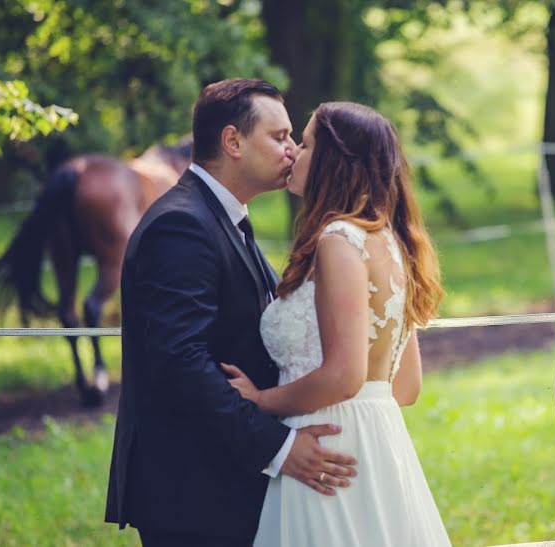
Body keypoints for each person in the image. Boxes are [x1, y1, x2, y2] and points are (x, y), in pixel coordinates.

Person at [105, 79, 358, 546]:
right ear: (233, 141)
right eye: (279, 137)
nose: (291, 151)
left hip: (223, 479)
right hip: (191, 490)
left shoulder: (224, 216)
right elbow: (180, 362)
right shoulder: (182, 225)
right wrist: (278, 447)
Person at [222, 101, 451, 546]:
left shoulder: (338, 241)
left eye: (304, 144)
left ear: (334, 160)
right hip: (380, 443)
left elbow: (345, 375)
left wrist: (262, 400)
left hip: (326, 443)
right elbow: (404, 387)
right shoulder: (390, 242)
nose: (293, 153)